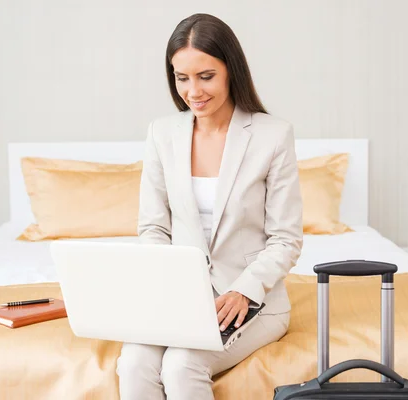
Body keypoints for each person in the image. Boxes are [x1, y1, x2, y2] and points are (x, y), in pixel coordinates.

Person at [116, 13, 303, 400]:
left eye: (206, 76)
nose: (193, 91)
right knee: (134, 363)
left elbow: (285, 239)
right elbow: (153, 228)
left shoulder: (272, 135)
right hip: (178, 299)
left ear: (230, 70)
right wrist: (168, 283)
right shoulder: (162, 134)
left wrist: (244, 291)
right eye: (181, 78)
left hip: (251, 301)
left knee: (182, 364)